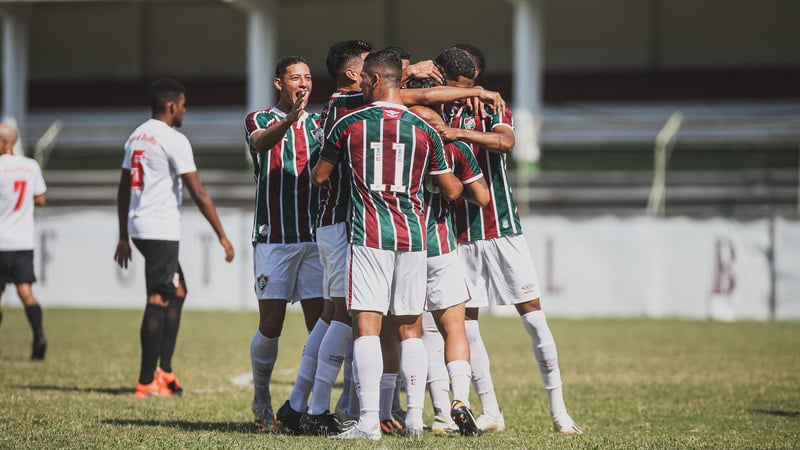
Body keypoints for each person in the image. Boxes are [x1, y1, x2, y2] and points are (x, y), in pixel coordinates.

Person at [313, 49, 461, 441]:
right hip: (413, 236)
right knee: (411, 328)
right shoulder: (425, 128)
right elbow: (451, 188)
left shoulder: (350, 123)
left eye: (364, 79)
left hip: (369, 235)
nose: (360, 83)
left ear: (376, 80)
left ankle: (367, 422)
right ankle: (414, 418)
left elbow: (319, 176)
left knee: (366, 326)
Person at [435, 45, 583, 435]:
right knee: (466, 325)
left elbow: (506, 143)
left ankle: (559, 411)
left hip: (502, 229)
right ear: (445, 79)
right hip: (461, 234)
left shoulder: (492, 108)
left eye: (473, 82)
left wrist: (460, 132)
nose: (468, 90)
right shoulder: (434, 107)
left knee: (534, 318)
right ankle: (491, 411)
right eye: (461, 83)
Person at [115, 78, 235, 398]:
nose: (185, 110)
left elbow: (124, 188)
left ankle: (164, 372)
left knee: (178, 290)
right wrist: (222, 235)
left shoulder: (136, 136)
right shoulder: (173, 138)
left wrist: (123, 235)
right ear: (171, 106)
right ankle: (145, 381)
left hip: (142, 227)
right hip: (159, 229)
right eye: (183, 104)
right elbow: (198, 190)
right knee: (158, 297)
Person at [244, 56, 325, 434]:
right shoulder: (259, 119)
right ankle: (261, 397)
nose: (304, 83)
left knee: (319, 327)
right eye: (296, 77)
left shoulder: (321, 124)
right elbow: (260, 144)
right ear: (280, 83)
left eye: (308, 77)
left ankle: (304, 405)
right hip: (273, 238)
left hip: (313, 239)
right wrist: (289, 119)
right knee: (271, 324)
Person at [0, 122, 48, 360]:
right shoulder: (31, 166)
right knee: (26, 292)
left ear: (4, 143)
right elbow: (41, 200)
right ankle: (39, 335)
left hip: (1, 241)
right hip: (22, 241)